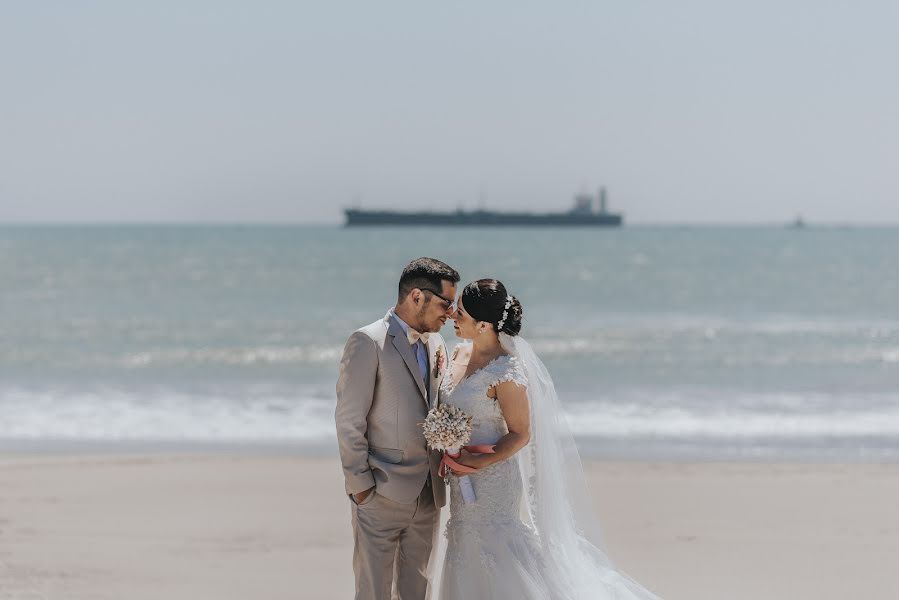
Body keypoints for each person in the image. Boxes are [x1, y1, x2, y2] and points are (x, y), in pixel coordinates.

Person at [430, 278, 666, 600]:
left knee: (493, 547)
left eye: (462, 313)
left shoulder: (507, 371)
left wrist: (480, 461)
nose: (453, 315)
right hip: (459, 479)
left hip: (492, 479)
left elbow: (520, 434)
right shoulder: (456, 352)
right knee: (464, 542)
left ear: (483, 325)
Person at [335, 257, 460, 600]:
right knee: (373, 591)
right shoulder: (367, 342)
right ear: (417, 297)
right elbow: (349, 420)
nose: (450, 313)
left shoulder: (437, 345)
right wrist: (361, 487)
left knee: (417, 590)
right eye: (446, 303)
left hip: (429, 494)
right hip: (380, 494)